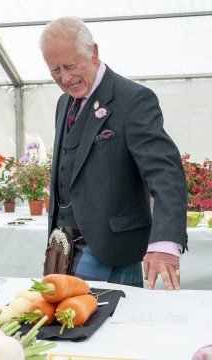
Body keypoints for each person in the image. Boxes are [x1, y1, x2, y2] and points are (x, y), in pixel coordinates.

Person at [40, 17, 188, 290]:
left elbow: (166, 175)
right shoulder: (63, 103)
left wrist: (165, 244)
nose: (66, 78)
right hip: (62, 251)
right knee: (59, 328)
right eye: (55, 70)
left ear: (94, 52)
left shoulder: (133, 99)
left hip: (111, 251)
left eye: (71, 66)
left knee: (97, 329)